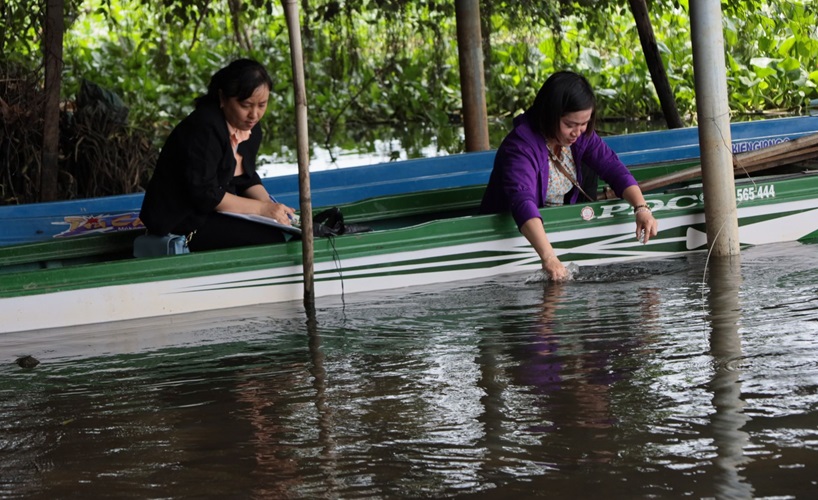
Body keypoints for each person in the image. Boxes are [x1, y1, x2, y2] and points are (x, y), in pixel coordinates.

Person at [480, 71, 659, 280]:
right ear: (549, 115)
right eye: (570, 125)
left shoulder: (580, 136)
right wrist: (548, 257)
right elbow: (522, 200)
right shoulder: (520, 147)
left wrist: (641, 208)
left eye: (584, 123)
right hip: (514, 232)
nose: (577, 132)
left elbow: (612, 166)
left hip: (553, 226)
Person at [139, 58, 297, 251]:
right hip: (182, 221)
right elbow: (206, 194)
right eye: (246, 105)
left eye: (262, 105)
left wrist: (271, 206)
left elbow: (245, 178)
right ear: (222, 98)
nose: (254, 115)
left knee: (287, 228)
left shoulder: (251, 130)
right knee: (272, 237)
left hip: (213, 211)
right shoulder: (204, 128)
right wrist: (262, 209)